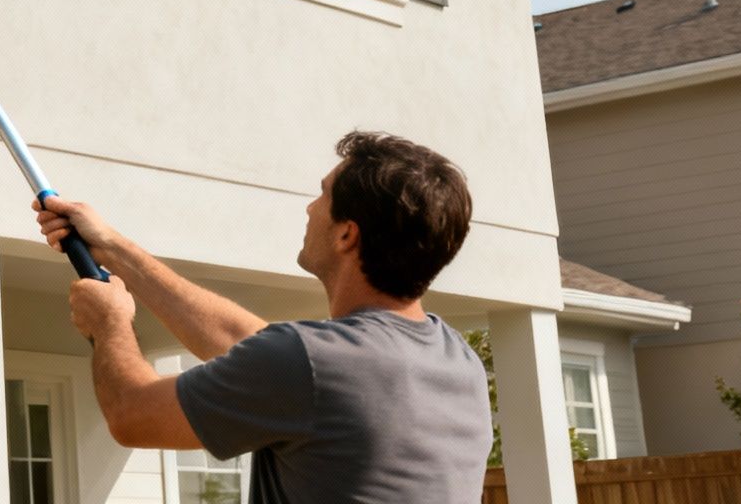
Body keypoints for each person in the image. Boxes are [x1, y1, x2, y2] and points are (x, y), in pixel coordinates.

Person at [35, 130, 492, 503]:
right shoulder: (458, 363)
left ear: (346, 235)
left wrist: (109, 322)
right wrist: (113, 245)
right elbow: (246, 341)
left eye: (323, 195)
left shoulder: (307, 363)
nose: (310, 208)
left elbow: (131, 414)